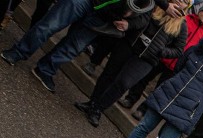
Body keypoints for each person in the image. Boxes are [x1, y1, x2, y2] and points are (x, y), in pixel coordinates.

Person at [1, 0, 183, 93]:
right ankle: (18, 52)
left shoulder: (152, 4)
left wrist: (129, 24)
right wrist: (165, 4)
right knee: (49, 26)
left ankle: (45, 69)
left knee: (73, 47)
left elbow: (143, 18)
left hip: (104, 18)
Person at [74, 0, 189, 127]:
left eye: (185, 1)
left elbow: (179, 50)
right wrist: (129, 25)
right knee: (108, 74)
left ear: (187, 6)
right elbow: (140, 18)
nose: (181, 1)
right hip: (129, 44)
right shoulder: (155, 6)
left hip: (147, 59)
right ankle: (92, 103)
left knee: (123, 83)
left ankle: (98, 109)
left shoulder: (182, 26)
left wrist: (162, 51)